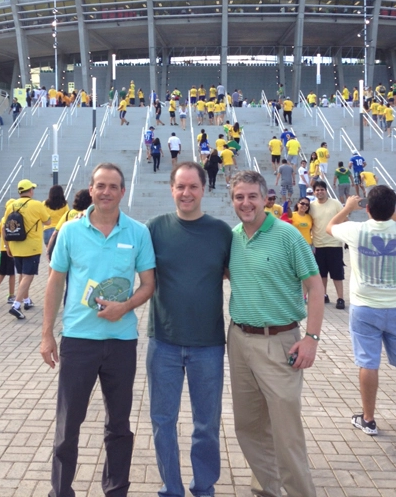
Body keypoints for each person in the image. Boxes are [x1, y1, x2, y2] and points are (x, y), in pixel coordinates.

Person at [41, 163, 155, 497]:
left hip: (121, 342)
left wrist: (126, 306)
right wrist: (47, 333)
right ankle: (61, 491)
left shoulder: (138, 232)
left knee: (119, 425)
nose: (106, 192)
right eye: (100, 185)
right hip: (78, 341)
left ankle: (116, 489)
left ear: (122, 191)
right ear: (91, 190)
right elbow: (55, 281)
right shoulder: (71, 232)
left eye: (113, 186)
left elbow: (148, 284)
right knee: (68, 424)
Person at [227, 170, 324, 497]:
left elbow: (314, 284)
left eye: (252, 196)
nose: (245, 202)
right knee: (249, 426)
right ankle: (266, 488)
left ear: (265, 198)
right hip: (239, 340)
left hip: (280, 341)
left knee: (286, 432)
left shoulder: (287, 235)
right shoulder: (233, 236)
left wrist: (311, 338)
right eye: (239, 197)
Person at [146, 162, 232, 497]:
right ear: (171, 189)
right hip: (163, 341)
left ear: (204, 189)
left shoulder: (222, 232)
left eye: (193, 187)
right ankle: (172, 487)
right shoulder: (154, 228)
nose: (186, 193)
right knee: (162, 422)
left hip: (208, 344)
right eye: (180, 187)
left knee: (206, 425)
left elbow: (234, 271)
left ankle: (204, 486)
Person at [326, 187, 396, 436]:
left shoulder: (356, 230)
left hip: (365, 307)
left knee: (369, 363)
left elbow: (330, 227)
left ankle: (368, 419)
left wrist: (347, 208)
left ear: (366, 208)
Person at [3, 179, 51, 319]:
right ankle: (16, 305)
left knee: (22, 275)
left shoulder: (11, 206)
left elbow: (6, 227)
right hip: (32, 247)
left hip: (15, 245)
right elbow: (47, 221)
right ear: (30, 190)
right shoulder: (36, 204)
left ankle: (26, 300)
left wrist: (7, 246)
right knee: (28, 275)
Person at [310, 180, 345, 309]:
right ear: (314, 192)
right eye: (317, 190)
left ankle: (340, 298)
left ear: (326, 190)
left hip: (334, 244)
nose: (320, 192)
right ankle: (323, 295)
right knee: (322, 274)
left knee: (337, 274)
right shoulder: (311, 206)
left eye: (322, 189)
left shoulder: (335, 204)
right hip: (318, 245)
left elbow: (344, 219)